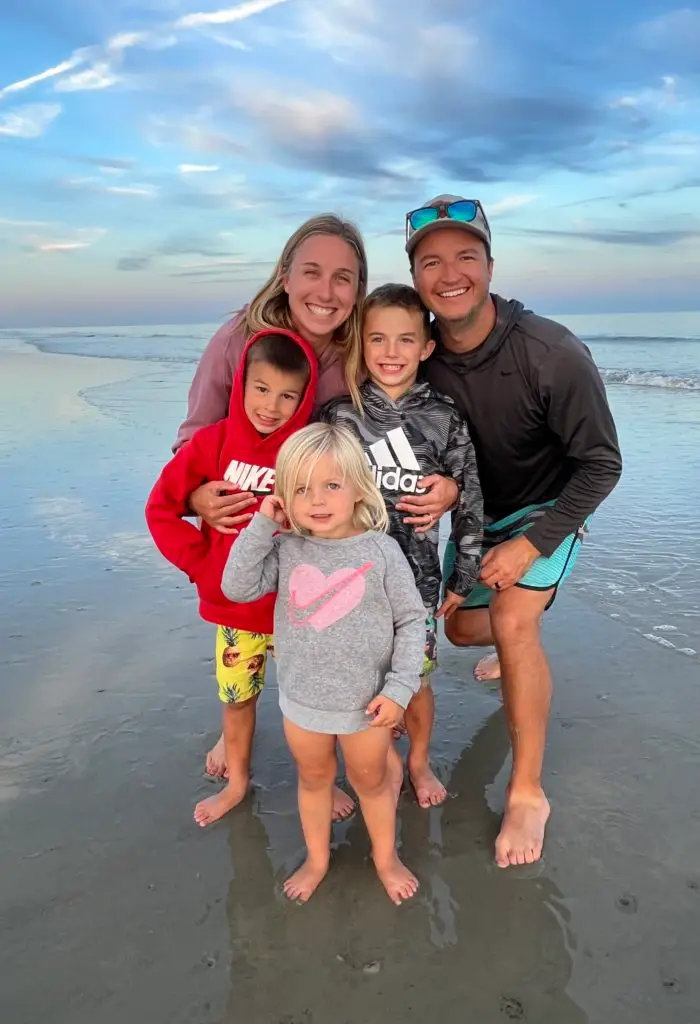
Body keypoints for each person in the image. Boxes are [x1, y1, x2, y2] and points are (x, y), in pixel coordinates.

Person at [174, 215, 459, 808]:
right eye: (311, 273)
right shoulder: (240, 340)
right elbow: (195, 437)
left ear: (358, 290)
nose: (325, 292)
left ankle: (343, 750)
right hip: (253, 536)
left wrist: (449, 488)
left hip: (329, 542)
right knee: (247, 644)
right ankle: (243, 741)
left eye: (343, 278)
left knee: (320, 651)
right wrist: (196, 495)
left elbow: (403, 423)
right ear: (284, 276)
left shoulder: (358, 350)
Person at [399, 194, 623, 867]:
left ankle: (528, 792)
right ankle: (520, 629)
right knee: (465, 629)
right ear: (415, 277)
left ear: (490, 265)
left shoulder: (550, 353)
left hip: (546, 509)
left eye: (466, 255)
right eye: (431, 261)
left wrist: (532, 544)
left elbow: (602, 465)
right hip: (476, 515)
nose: (450, 273)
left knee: (514, 622)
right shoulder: (420, 354)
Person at [222, 423, 425, 905]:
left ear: (358, 488)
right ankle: (317, 859)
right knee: (314, 781)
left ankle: (385, 857)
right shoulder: (288, 547)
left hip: (367, 707)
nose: (316, 499)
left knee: (372, 785)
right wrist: (261, 525)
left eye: (331, 485)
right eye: (300, 488)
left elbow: (413, 621)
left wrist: (399, 690)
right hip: (302, 702)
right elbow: (237, 587)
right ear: (283, 496)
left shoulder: (380, 550)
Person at [321, 283, 483, 808]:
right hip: (346, 582)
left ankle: (417, 762)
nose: (392, 353)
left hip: (416, 584)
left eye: (406, 340)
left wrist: (464, 576)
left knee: (416, 680)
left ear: (427, 347)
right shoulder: (339, 416)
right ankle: (373, 761)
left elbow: (470, 495)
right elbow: (306, 490)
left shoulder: (445, 416)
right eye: (378, 339)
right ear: (360, 344)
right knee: (353, 677)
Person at [146, 330, 317, 826]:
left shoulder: (306, 450)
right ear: (240, 384)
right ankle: (239, 784)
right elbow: (161, 509)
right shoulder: (212, 442)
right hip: (236, 613)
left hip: (297, 612)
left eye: (288, 395)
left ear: (305, 398)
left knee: (308, 703)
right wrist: (203, 566)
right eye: (261, 389)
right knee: (238, 701)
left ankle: (318, 781)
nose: (271, 406)